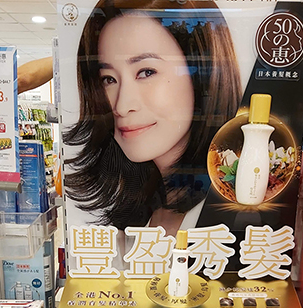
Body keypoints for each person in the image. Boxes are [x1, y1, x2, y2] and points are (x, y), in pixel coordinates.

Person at [63, 0, 242, 237]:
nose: (122, 106)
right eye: (108, 79)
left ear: (203, 77)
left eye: (146, 72)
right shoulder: (142, 206)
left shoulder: (235, 213)